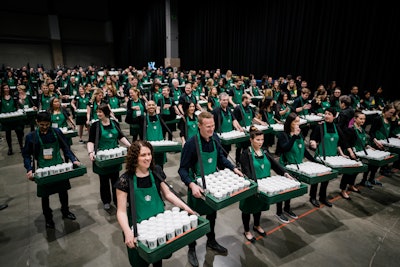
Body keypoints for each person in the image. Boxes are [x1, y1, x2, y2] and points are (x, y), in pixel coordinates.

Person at [115, 140, 196, 267]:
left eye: (149, 154)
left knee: (158, 257)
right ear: (134, 157)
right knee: (140, 261)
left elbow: (168, 194)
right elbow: (121, 211)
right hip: (139, 226)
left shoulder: (156, 171)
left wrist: (186, 207)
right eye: (143, 155)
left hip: (158, 223)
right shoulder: (125, 180)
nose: (147, 158)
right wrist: (127, 232)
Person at [178, 111, 243, 267]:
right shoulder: (191, 144)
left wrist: (233, 168)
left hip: (212, 186)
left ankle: (211, 241)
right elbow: (182, 170)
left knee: (212, 216)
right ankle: (192, 247)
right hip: (197, 187)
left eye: (213, 125)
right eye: (208, 126)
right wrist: (191, 184)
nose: (211, 129)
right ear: (199, 126)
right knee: (194, 219)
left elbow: (221, 158)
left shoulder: (215, 138)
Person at [22, 111, 80, 228]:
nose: (44, 127)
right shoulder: (31, 137)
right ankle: (48, 218)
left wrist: (73, 159)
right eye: (42, 125)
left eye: (47, 125)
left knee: (63, 191)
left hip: (59, 165)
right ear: (37, 122)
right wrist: (29, 169)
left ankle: (65, 211)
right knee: (45, 195)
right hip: (43, 169)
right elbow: (27, 155)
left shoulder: (57, 132)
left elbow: (65, 147)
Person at [240, 126, 295, 241]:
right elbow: (246, 171)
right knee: (247, 209)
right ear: (251, 140)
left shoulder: (264, 151)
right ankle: (246, 230)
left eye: (262, 139)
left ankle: (256, 225)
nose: (260, 142)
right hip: (252, 187)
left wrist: (285, 174)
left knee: (258, 207)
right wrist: (254, 184)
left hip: (264, 186)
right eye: (257, 140)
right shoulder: (246, 153)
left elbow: (275, 165)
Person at [87, 103, 131, 210]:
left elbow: (120, 136)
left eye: (100, 112)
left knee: (116, 180)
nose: (98, 114)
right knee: (104, 181)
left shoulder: (115, 123)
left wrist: (130, 145)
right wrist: (91, 152)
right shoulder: (95, 126)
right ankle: (106, 201)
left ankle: (117, 200)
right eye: (97, 112)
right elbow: (91, 141)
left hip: (114, 157)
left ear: (106, 112)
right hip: (102, 158)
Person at [276, 113, 317, 222]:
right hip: (285, 166)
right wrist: (294, 136)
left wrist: (314, 161)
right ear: (290, 123)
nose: (297, 124)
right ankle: (279, 212)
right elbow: (285, 148)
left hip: (296, 166)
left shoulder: (300, 134)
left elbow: (303, 150)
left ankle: (287, 208)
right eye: (295, 122)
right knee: (283, 190)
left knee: (291, 189)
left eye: (298, 121)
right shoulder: (283, 135)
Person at [309, 107, 349, 208]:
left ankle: (323, 197)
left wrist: (342, 154)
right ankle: (312, 197)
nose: (326, 115)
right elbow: (313, 138)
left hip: (332, 158)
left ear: (334, 116)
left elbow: (340, 142)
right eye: (325, 113)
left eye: (329, 114)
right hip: (320, 157)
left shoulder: (336, 127)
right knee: (317, 178)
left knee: (326, 179)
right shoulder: (320, 127)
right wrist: (313, 142)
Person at [1, 83, 25, 155]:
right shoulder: (1, 98)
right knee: (8, 133)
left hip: (15, 117)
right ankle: (10, 148)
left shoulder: (13, 97)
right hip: (5, 118)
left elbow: (19, 104)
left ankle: (21, 147)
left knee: (19, 132)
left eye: (7, 88)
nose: (6, 89)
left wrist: (21, 101)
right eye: (4, 88)